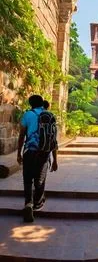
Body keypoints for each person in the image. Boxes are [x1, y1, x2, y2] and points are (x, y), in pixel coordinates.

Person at [17, 94, 58, 223]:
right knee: (40, 179)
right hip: (44, 152)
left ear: (31, 104)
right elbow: (53, 140)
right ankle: (37, 204)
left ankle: (28, 203)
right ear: (42, 103)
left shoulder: (27, 115)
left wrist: (19, 153)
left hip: (30, 151)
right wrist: (55, 160)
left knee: (27, 179)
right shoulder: (50, 116)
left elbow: (22, 135)